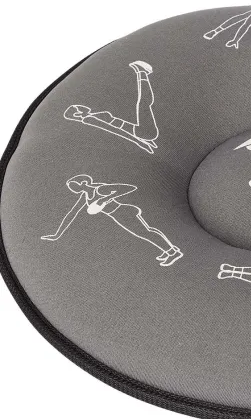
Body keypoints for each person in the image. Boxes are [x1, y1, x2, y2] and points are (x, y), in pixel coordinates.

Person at [42, 174, 182, 267]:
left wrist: (105, 198)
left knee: (146, 232)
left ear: (83, 182)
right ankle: (168, 250)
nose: (71, 187)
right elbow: (72, 213)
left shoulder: (100, 189)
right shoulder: (85, 196)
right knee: (144, 233)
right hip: (117, 215)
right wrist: (57, 234)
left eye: (73, 184)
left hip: (123, 212)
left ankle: (172, 251)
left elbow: (129, 188)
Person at [64, 61, 159, 153]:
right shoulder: (88, 119)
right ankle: (142, 72)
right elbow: (114, 130)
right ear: (77, 114)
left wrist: (141, 138)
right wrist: (139, 142)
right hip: (140, 132)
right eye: (77, 107)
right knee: (144, 103)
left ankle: (142, 73)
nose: (80, 105)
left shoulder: (91, 116)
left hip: (140, 132)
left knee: (143, 103)